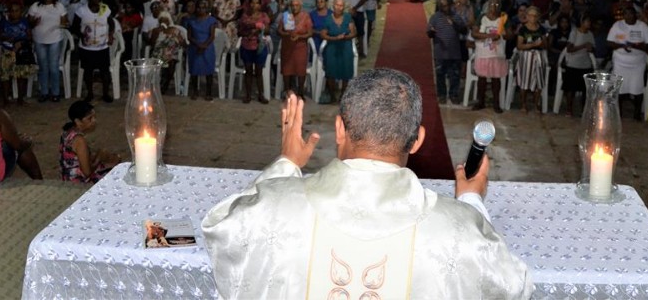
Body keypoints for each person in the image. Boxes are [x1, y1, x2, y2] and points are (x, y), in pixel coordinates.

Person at [201, 70, 534, 299]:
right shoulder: (459, 230)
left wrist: (286, 163)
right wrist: (472, 201)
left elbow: (222, 229)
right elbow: (510, 287)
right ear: (417, 141)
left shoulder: (273, 208)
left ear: (340, 130)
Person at [607, 5, 648, 120]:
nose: (628, 16)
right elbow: (609, 42)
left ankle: (637, 114)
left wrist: (636, 46)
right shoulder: (617, 25)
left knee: (637, 89)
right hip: (620, 62)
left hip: (637, 65)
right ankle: (619, 113)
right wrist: (622, 45)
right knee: (620, 89)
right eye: (626, 14)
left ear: (635, 15)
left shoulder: (643, 27)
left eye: (631, 13)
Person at [59, 100, 121, 183]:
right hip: (78, 181)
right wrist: (99, 158)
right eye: (89, 118)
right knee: (116, 170)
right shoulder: (79, 140)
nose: (94, 121)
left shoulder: (67, 132)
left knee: (114, 160)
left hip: (67, 176)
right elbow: (87, 172)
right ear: (78, 121)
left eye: (94, 117)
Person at [28, 0, 69, 103]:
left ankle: (55, 93)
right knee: (43, 67)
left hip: (55, 39)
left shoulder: (59, 6)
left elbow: (65, 21)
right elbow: (29, 22)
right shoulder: (36, 6)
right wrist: (34, 22)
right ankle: (44, 92)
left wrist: (64, 23)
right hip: (39, 40)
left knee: (53, 67)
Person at [471, 0, 510, 113]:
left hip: (497, 53)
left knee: (496, 79)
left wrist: (502, 33)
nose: (494, 6)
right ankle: (480, 101)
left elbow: (510, 35)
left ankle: (496, 103)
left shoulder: (503, 18)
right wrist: (489, 36)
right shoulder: (482, 17)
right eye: (492, 3)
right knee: (481, 78)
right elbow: (474, 33)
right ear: (488, 5)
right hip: (483, 52)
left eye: (497, 4)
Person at [76, 0, 115, 103]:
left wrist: (111, 35)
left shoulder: (104, 8)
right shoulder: (81, 10)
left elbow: (111, 23)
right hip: (86, 48)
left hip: (102, 47)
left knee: (105, 71)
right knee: (88, 71)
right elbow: (74, 26)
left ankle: (105, 93)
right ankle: (90, 93)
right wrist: (82, 35)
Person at [427, 0, 466, 105]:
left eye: (446, 5)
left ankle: (453, 95)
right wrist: (432, 32)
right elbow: (429, 34)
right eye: (442, 6)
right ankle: (442, 95)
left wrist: (454, 23)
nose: (445, 8)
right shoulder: (434, 17)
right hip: (440, 52)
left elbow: (464, 30)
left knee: (455, 75)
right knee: (440, 75)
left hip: (454, 52)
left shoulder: (456, 16)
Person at [0, 2, 36, 107]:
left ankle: (20, 98)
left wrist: (21, 43)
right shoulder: (4, 21)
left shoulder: (24, 22)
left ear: (21, 12)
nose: (14, 13)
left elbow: (29, 36)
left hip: (21, 51)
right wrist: (6, 38)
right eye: (12, 11)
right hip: (7, 50)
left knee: (21, 75)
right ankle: (6, 99)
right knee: (5, 75)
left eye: (16, 11)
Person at [276, 0, 314, 99]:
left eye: (297, 5)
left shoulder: (305, 16)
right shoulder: (287, 15)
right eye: (292, 5)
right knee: (287, 69)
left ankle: (300, 92)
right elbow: (279, 30)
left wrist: (299, 36)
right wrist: (286, 34)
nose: (294, 7)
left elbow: (310, 33)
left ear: (301, 6)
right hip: (287, 45)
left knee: (301, 69)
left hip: (300, 46)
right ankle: (287, 91)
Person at [321, 0, 357, 102]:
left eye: (341, 5)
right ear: (333, 6)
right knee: (331, 71)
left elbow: (354, 32)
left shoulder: (347, 17)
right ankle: (332, 95)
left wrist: (345, 37)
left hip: (345, 46)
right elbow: (323, 34)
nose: (339, 7)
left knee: (346, 71)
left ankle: (343, 95)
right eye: (337, 5)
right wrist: (334, 38)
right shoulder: (328, 19)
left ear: (343, 7)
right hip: (332, 46)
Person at [236, 0, 271, 103]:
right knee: (248, 71)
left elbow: (267, 31)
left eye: (257, 3)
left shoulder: (264, 16)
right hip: (247, 45)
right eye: (252, 2)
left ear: (260, 5)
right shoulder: (245, 16)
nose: (254, 5)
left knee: (259, 72)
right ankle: (248, 95)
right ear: (249, 4)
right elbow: (240, 32)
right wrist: (251, 31)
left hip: (259, 46)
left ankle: (261, 94)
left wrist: (257, 30)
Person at [514, 6, 547, 113]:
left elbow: (545, 44)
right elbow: (519, 46)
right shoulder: (523, 29)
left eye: (535, 15)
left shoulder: (541, 29)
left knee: (539, 82)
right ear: (527, 16)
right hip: (526, 56)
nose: (533, 17)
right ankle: (523, 104)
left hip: (539, 56)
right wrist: (532, 44)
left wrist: (541, 44)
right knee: (524, 81)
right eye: (530, 15)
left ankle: (536, 104)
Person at [186, 0, 219, 100]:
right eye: (199, 8)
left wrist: (204, 46)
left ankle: (208, 93)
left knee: (208, 71)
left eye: (203, 8)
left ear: (207, 9)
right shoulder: (191, 20)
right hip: (195, 46)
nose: (201, 10)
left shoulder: (211, 20)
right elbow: (189, 36)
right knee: (194, 70)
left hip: (207, 47)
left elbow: (212, 36)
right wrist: (198, 45)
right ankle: (195, 91)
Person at [562, 14, 596, 116]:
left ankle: (584, 110)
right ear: (582, 22)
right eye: (587, 21)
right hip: (573, 64)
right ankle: (569, 109)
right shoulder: (575, 33)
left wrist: (591, 48)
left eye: (590, 21)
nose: (589, 23)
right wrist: (583, 46)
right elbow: (569, 49)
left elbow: (593, 48)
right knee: (570, 89)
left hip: (585, 64)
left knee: (586, 89)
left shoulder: (590, 34)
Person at [150, 12, 188, 95]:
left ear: (169, 21)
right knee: (163, 60)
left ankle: (164, 85)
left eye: (166, 20)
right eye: (161, 20)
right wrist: (157, 33)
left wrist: (178, 38)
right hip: (159, 53)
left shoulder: (175, 30)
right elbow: (152, 45)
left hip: (172, 53)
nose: (163, 23)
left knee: (171, 61)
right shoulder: (156, 30)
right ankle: (161, 83)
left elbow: (184, 44)